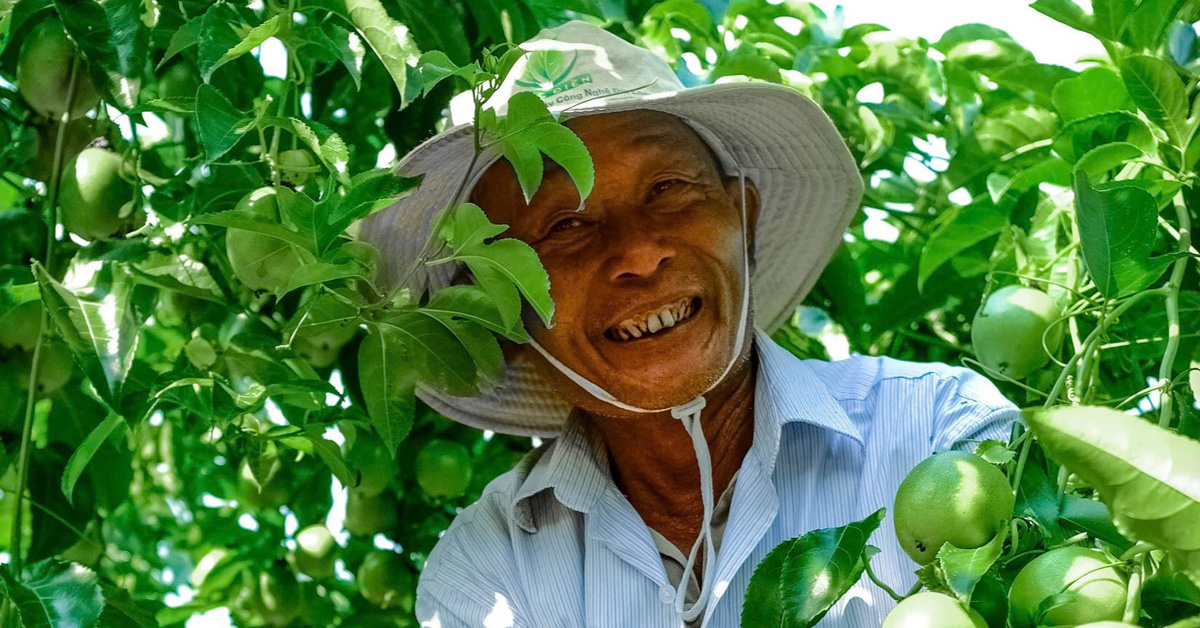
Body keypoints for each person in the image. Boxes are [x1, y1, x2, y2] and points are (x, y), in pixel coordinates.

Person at [360, 20, 1019, 628]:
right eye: (565, 226)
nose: (640, 252)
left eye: (669, 189)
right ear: (498, 309)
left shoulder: (943, 437)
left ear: (744, 216)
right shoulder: (492, 567)